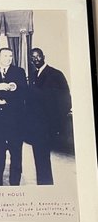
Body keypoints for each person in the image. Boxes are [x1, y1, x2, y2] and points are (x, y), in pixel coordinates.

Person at [26, 47, 72, 185]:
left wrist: (56, 123)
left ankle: (46, 185)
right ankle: (43, 185)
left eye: (38, 56)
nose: (36, 60)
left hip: (48, 126)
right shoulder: (34, 76)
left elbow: (66, 100)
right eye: (33, 58)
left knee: (44, 157)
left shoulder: (56, 74)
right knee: (39, 158)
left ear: (43, 56)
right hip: (35, 126)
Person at [0, 48, 27, 186]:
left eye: (10, 56)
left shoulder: (19, 72)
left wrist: (10, 91)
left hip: (15, 121)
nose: (8, 58)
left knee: (16, 152)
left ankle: (15, 182)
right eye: (5, 55)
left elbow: (22, 92)